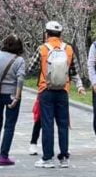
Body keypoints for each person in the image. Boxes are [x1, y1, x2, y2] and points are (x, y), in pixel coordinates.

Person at [29, 21, 85, 169]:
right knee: (63, 124)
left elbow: (31, 68)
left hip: (45, 90)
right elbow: (74, 71)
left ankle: (47, 158)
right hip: (63, 90)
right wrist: (79, 86)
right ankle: (64, 157)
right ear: (61, 34)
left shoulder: (42, 49)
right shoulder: (68, 49)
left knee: (47, 124)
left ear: (46, 34)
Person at [0, 34, 26, 166]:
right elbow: (20, 79)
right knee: (9, 126)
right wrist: (17, 97)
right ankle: (3, 155)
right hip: (11, 95)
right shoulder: (19, 60)